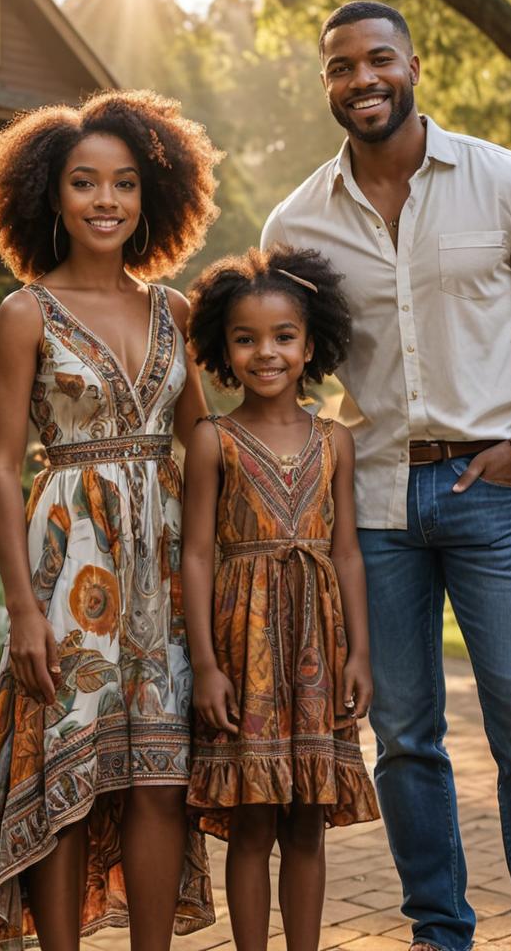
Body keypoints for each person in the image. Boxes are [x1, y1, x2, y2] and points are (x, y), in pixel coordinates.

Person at [261, 1, 511, 951]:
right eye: (341, 67)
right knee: (405, 739)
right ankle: (439, 933)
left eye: (379, 60)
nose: (362, 79)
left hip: (493, 495)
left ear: (413, 65)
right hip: (370, 506)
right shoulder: (296, 222)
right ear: (327, 82)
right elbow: (278, 362)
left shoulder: (507, 182)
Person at [0, 90, 221, 951]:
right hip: (67, 566)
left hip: (164, 562)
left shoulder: (174, 313)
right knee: (66, 773)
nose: (106, 200)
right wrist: (23, 609)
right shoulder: (23, 314)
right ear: (51, 196)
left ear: (154, 197)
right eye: (84, 183)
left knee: (158, 775)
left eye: (124, 183)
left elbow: (205, 449)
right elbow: (2, 467)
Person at [181, 246, 379, 951]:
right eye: (245, 338)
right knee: (254, 816)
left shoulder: (336, 443)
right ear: (221, 349)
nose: (265, 352)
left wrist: (361, 653)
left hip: (317, 650)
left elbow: (348, 552)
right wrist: (206, 664)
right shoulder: (213, 441)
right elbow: (197, 555)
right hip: (243, 645)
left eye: (283, 336)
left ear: (310, 344)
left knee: (305, 817)